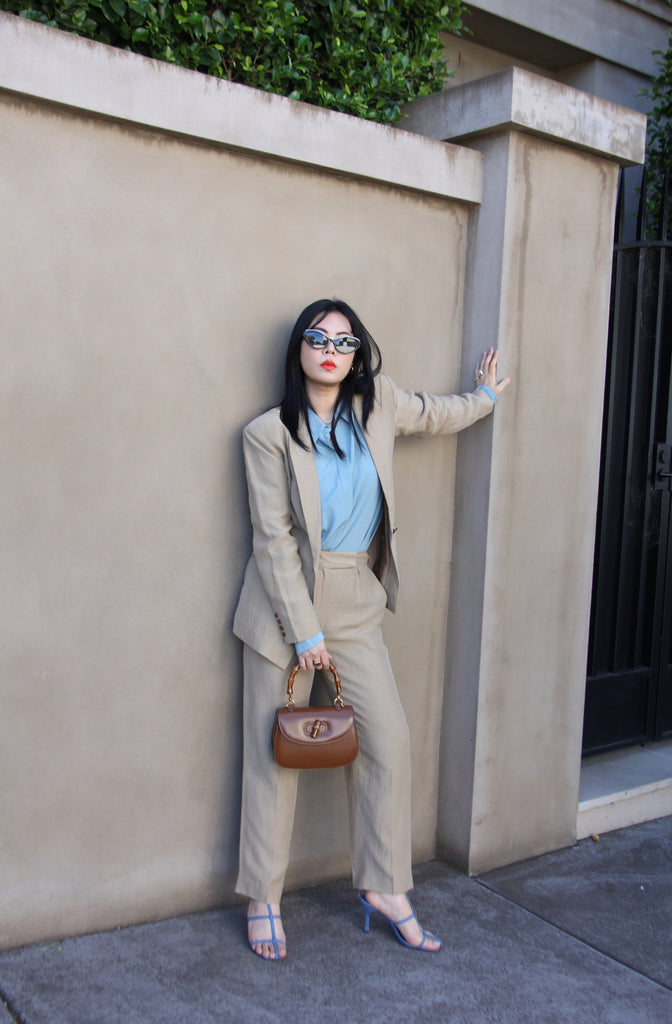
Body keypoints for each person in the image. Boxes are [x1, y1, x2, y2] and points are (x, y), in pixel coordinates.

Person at [233, 298, 510, 960]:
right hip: (284, 609)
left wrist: (485, 397)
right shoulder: (267, 434)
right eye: (317, 337)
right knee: (277, 756)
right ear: (298, 349)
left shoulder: (378, 403)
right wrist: (305, 636)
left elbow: (434, 414)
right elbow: (272, 542)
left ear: (358, 354)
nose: (330, 348)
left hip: (357, 596)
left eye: (344, 340)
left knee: (388, 740)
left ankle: (385, 886)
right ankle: (264, 897)